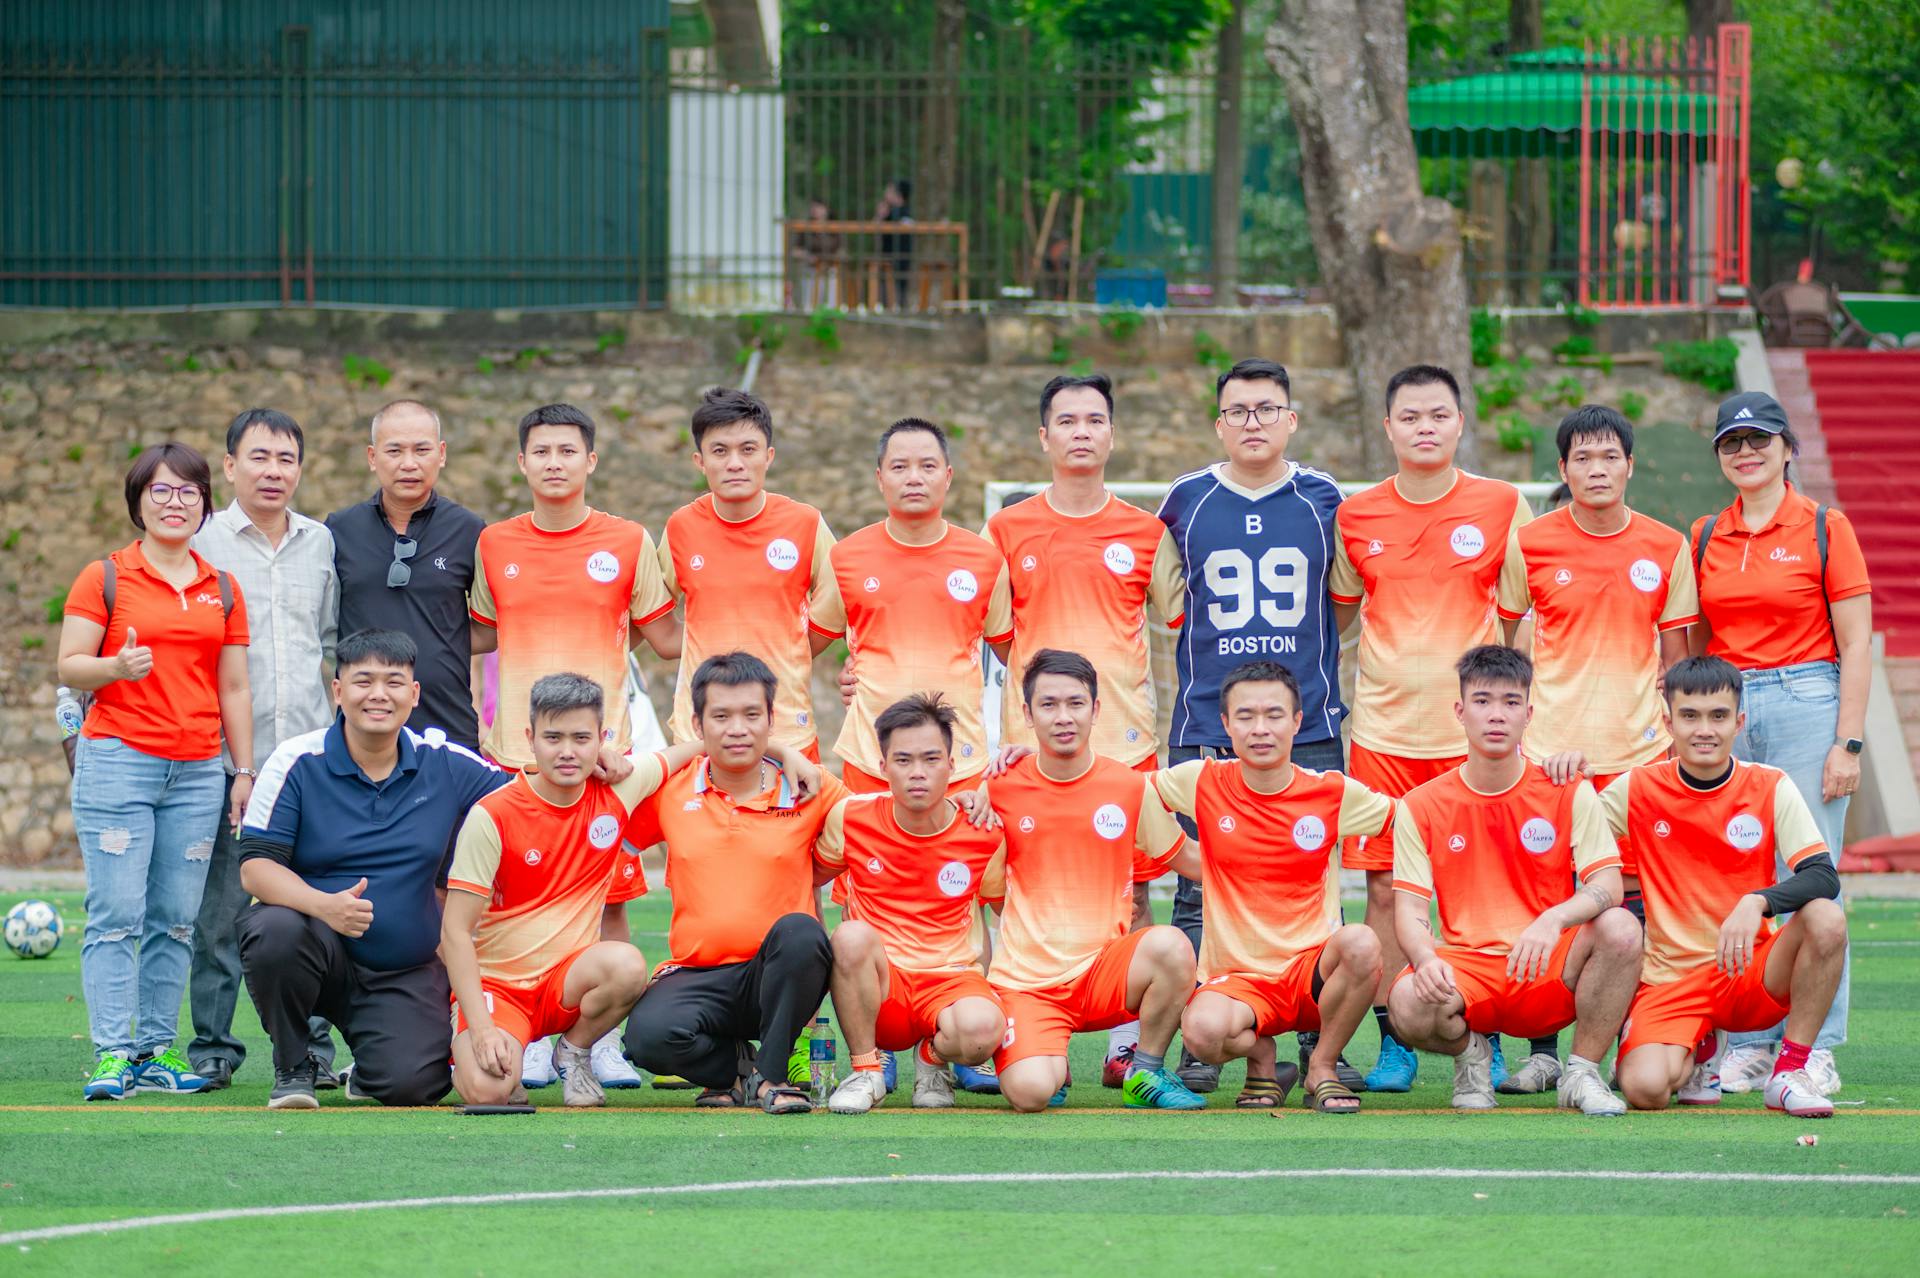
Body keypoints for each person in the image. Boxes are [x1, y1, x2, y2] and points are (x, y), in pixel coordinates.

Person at [1329, 364, 1533, 1093]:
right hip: (1384, 736)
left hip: (1469, 743)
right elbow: (1343, 612)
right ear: (1388, 426)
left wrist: (1506, 720)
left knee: (1486, 895)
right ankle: (1395, 1041)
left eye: (1438, 415)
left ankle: (1492, 1031)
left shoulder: (1503, 505)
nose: (1424, 426)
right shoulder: (1356, 516)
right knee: (1385, 893)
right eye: (1409, 415)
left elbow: (1514, 624)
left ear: (1459, 423)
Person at [1155, 357, 1353, 1094]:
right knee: (1197, 891)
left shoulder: (1325, 498)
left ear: (1291, 420)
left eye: (1267, 409)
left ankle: (1317, 1040)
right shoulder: (1186, 500)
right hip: (1208, 719)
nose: (1253, 423)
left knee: (1311, 887)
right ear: (1218, 423)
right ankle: (1200, 1042)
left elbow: (1344, 601)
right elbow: (1171, 606)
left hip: (1307, 724)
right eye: (1238, 411)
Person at [469, 402, 681, 1088]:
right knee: (506, 903)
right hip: (513, 757)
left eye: (568, 451)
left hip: (601, 759)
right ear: (521, 462)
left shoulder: (626, 540)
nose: (554, 462)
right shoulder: (495, 543)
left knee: (610, 903)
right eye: (541, 451)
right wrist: (476, 713)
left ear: (590, 461)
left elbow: (668, 637)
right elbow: (474, 635)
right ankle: (525, 1032)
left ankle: (602, 1040)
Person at [982, 373, 1184, 1084]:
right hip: (1028, 744)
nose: (1080, 432)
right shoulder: (1005, 529)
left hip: (1126, 742)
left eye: (1094, 420)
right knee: (1012, 883)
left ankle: (1129, 1045)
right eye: (1066, 421)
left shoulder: (1145, 530)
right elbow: (982, 631)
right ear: (1044, 437)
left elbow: (1182, 626)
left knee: (1139, 883)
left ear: (1111, 433)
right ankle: (1014, 1023)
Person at [1493, 404, 1697, 1094]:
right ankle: (1543, 1048)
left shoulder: (1667, 546)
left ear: (1630, 466)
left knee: (1636, 907)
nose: (1597, 469)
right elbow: (1512, 648)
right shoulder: (1533, 542)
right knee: (1547, 901)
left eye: (1609, 456)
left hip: (1638, 758)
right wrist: (1533, 735)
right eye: (1582, 458)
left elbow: (1676, 661)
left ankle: (1626, 1039)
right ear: (1563, 470)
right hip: (1554, 758)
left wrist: (1666, 749)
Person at [236, 629, 513, 1109]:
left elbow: (527, 800)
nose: (378, 695)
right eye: (363, 681)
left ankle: (370, 1067)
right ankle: (293, 1062)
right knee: (273, 930)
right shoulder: (297, 760)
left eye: (393, 682)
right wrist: (325, 907)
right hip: (315, 948)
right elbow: (255, 870)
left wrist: (596, 763)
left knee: (413, 1086)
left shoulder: (444, 761)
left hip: (401, 968)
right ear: (339, 691)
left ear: (414, 694)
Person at [1688, 390, 1870, 1096]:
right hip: (1729, 706)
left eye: (1760, 439)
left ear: (1788, 448)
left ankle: (1815, 1044)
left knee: (1810, 875)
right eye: (1732, 442)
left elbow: (1856, 642)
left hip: (1805, 699)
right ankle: (1753, 1042)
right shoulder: (1706, 532)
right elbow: (1697, 643)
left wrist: (1847, 743)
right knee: (1737, 872)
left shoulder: (1826, 525)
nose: (1746, 452)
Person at [58, 443, 253, 1102]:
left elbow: (234, 690)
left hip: (198, 771)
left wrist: (243, 769)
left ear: (204, 503)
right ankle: (113, 1053)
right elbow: (69, 665)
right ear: (139, 500)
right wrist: (115, 668)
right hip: (118, 761)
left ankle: (154, 1049)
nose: (175, 503)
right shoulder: (105, 576)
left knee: (175, 918)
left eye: (188, 492)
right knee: (116, 913)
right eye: (161, 491)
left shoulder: (222, 587)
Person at [1386, 645, 1641, 1116]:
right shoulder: (1421, 804)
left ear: (1529, 713)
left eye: (1509, 702)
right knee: (1405, 999)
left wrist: (1553, 919)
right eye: (1482, 701)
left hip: (1550, 964)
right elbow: (1410, 912)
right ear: (1460, 712)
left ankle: (1580, 1073)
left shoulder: (1565, 788)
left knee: (1622, 929)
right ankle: (1471, 1056)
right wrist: (1424, 959)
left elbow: (1608, 882)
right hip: (1469, 969)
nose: (1496, 715)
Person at [1587, 657, 1847, 1117]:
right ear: (1668, 722)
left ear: (1738, 722)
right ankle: (1702, 1051)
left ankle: (1788, 1070)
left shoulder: (1769, 785)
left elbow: (1822, 874)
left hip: (1750, 972)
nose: (1704, 729)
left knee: (1826, 917)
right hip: (1673, 979)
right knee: (1646, 1091)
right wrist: (1560, 773)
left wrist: (1758, 901)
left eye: (1718, 716)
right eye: (1689, 716)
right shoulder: (1638, 787)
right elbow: (1573, 830)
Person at [442, 674, 708, 1109]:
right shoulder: (492, 815)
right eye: (553, 737)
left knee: (626, 964)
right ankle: (488, 1044)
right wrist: (485, 1028)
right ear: (530, 739)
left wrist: (782, 753)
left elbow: (691, 749)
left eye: (581, 738)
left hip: (566, 983)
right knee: (489, 1092)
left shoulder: (618, 788)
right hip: (502, 989)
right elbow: (454, 932)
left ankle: (575, 1052)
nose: (567, 751)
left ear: (602, 738)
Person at [620, 652, 848, 1113]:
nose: (737, 729)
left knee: (802, 932)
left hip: (779, 976)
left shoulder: (808, 786)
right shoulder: (671, 790)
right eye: (721, 716)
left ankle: (771, 1073)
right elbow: (610, 836)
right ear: (698, 724)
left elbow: (878, 822)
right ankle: (752, 1073)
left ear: (770, 719)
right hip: (699, 975)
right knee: (646, 1038)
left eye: (751, 714)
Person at [1159, 662, 1389, 1112]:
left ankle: (1321, 1065)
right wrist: (1185, 857)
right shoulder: (1201, 779)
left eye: (1274, 715)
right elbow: (1124, 795)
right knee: (1201, 1034)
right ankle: (1262, 1059)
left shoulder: (1332, 791)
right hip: (1239, 980)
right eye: (1245, 716)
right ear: (1225, 724)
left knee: (1360, 942)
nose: (1260, 729)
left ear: (1298, 721)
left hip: (1310, 972)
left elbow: (1418, 818)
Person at [188, 408, 339, 1092]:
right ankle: (213, 1048)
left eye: (286, 459)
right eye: (259, 457)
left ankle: (313, 1049)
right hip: (224, 759)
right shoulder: (200, 545)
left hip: (307, 760)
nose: (273, 470)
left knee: (307, 906)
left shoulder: (321, 544)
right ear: (229, 466)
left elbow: (331, 643)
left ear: (300, 469)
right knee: (219, 911)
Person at [981, 649, 1203, 1113]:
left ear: (1096, 709)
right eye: (1049, 705)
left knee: (1172, 945)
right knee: (1029, 1093)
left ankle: (1145, 1070)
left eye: (1076, 703)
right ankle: (1049, 1063)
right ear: (1027, 714)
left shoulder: (1127, 785)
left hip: (1104, 972)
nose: (1064, 717)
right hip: (1028, 981)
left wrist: (1268, 859)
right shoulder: (999, 787)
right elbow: (990, 891)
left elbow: (1185, 857)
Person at [814, 694, 1008, 1113]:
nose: (917, 773)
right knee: (849, 936)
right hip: (884, 984)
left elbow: (1001, 912)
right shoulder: (851, 817)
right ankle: (866, 1068)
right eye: (903, 760)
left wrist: (989, 988)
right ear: (882, 767)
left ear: (952, 766)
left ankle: (932, 1061)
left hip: (951, 979)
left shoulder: (984, 832)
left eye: (931, 759)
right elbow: (806, 877)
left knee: (983, 1029)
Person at [818, 418, 1012, 793]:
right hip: (871, 756)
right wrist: (850, 671)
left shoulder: (985, 560)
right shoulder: (845, 557)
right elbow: (805, 644)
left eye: (927, 466)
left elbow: (1013, 656)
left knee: (960, 854)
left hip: (960, 759)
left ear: (948, 475)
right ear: (879, 478)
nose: (914, 477)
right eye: (899, 467)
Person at [659, 389, 837, 760]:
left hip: (787, 729)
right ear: (700, 460)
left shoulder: (805, 523)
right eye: (720, 451)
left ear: (768, 456)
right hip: (701, 733)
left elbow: (840, 604)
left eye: (748, 449)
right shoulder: (681, 527)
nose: (735, 463)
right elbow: (654, 615)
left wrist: (794, 648)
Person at [327, 399, 489, 749]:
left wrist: (442, 643)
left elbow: (492, 628)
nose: (409, 464)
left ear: (442, 454)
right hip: (362, 727)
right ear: (372, 458)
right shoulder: (338, 531)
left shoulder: (469, 531)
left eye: (422, 450)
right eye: (395, 451)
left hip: (447, 724)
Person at [875, 178, 912, 310]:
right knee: (885, 287)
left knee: (900, 288)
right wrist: (880, 216)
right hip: (886, 256)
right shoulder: (888, 211)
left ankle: (900, 308)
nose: (885, 193)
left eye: (889, 190)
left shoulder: (905, 211)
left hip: (901, 258)